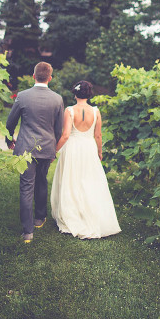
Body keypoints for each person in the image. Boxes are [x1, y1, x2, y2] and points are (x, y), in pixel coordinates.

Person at [51, 80, 121, 239]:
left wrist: (55, 149)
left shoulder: (69, 110)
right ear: (89, 94)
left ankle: (74, 213)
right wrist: (99, 151)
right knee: (89, 181)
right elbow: (98, 135)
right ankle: (90, 214)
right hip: (89, 148)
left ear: (75, 93)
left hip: (73, 148)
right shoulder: (96, 111)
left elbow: (66, 134)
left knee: (72, 181)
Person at [5, 62, 64, 243]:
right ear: (50, 78)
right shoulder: (57, 99)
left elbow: (10, 123)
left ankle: (28, 231)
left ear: (33, 76)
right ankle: (40, 217)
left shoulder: (22, 96)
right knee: (41, 181)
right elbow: (59, 130)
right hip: (46, 148)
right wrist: (53, 149)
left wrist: (9, 140)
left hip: (25, 149)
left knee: (26, 186)